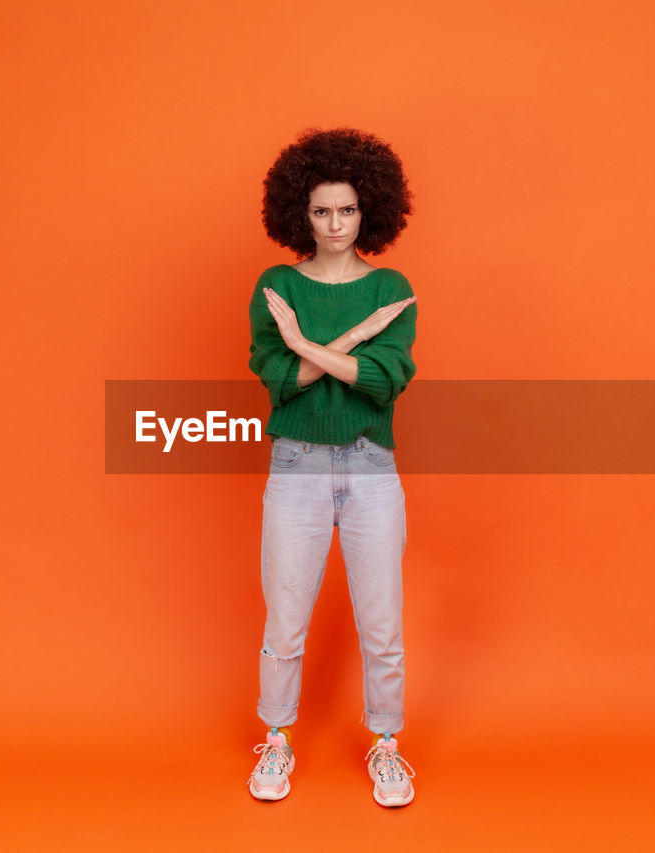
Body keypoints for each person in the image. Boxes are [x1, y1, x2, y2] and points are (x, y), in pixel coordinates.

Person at [245, 127, 419, 807]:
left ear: (369, 208)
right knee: (285, 619)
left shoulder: (393, 287)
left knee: (383, 623)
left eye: (346, 209)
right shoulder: (277, 286)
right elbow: (280, 381)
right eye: (322, 210)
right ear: (299, 213)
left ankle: (386, 746)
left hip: (372, 467)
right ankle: (278, 737)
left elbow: (381, 383)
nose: (335, 223)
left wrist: (311, 347)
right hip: (296, 466)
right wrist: (338, 337)